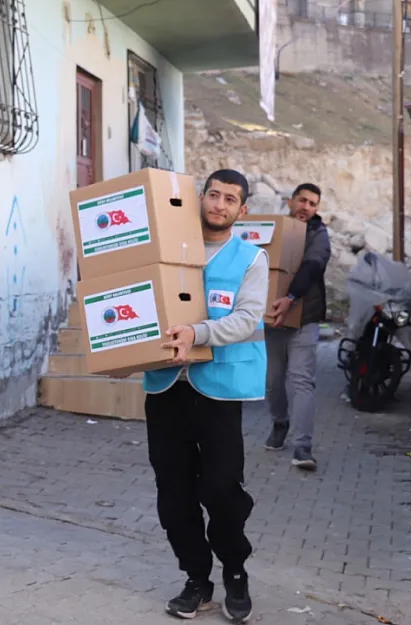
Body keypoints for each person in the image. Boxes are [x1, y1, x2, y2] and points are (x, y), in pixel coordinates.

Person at [141, 169, 269, 622]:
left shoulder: (250, 259)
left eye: (229, 199)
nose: (218, 204)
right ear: (200, 198)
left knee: (219, 488)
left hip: (218, 391)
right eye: (213, 194)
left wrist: (196, 332)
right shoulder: (166, 250)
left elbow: (247, 318)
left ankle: (235, 568)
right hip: (166, 387)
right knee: (173, 495)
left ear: (242, 210)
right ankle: (197, 578)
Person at [264, 183, 331, 472]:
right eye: (302, 201)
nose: (306, 207)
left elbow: (313, 266)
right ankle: (280, 423)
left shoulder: (318, 234)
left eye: (313, 204)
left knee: (302, 381)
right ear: (290, 201)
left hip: (305, 317)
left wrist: (290, 297)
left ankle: (303, 446)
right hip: (273, 319)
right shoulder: (274, 229)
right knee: (273, 381)